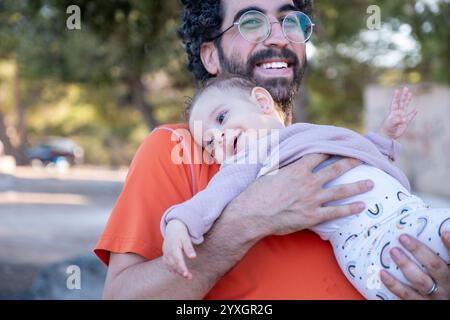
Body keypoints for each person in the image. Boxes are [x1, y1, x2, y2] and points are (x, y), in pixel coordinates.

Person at [96, 0, 450, 299]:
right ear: (210, 55)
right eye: (251, 23)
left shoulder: (321, 140)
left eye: (290, 21)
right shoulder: (176, 148)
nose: (279, 37)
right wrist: (249, 218)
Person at [160, 75, 450, 300]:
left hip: (406, 217)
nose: (218, 137)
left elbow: (356, 155)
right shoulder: (250, 160)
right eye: (209, 142)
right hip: (373, 242)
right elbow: (211, 198)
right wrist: (177, 223)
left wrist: (386, 135)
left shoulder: (305, 136)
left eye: (221, 119)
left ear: (261, 102)